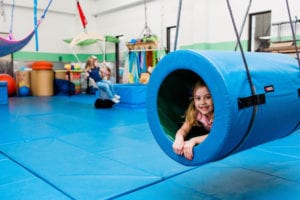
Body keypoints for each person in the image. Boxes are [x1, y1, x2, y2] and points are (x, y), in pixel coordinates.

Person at [172, 79, 214, 160]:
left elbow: (217, 134)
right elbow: (184, 129)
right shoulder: (195, 112)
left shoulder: (220, 113)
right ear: (194, 99)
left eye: (208, 97)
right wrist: (179, 137)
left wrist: (193, 141)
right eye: (198, 98)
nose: (202, 102)